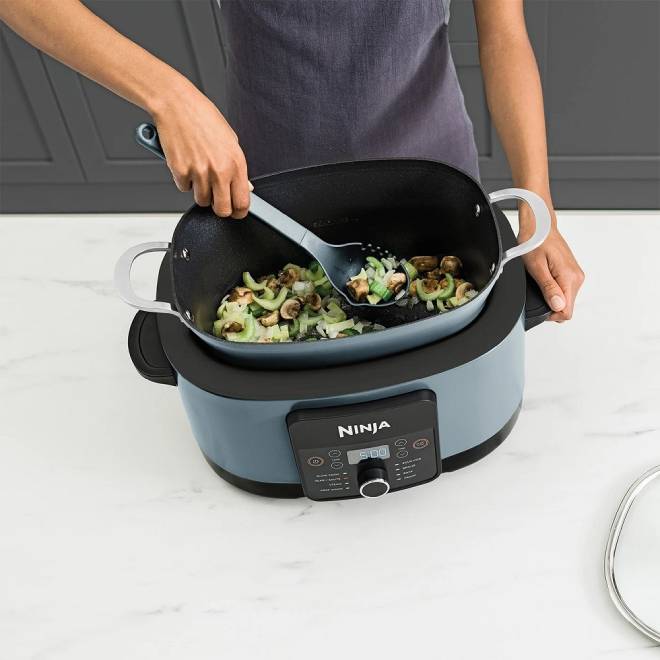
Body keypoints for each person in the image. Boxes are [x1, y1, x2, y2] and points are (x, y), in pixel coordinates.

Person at [1, 0, 584, 321]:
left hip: (432, 171)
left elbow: (504, 34)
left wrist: (538, 203)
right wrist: (169, 96)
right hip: (275, 189)